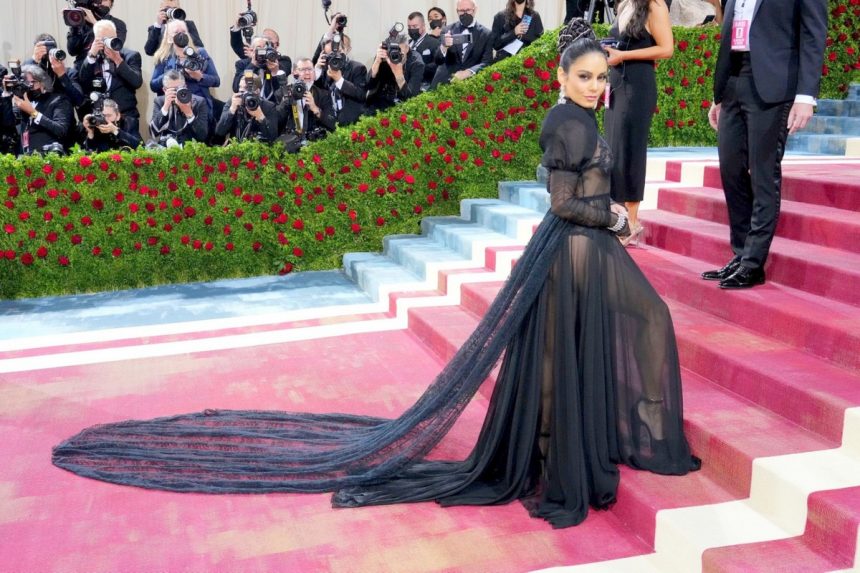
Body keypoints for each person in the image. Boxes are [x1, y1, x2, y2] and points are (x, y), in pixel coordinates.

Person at [52, 20, 700, 530]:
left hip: (580, 252)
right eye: (583, 76)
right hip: (578, 246)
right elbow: (563, 202)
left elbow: (564, 183)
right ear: (560, 76)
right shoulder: (567, 120)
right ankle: (589, 452)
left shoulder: (578, 117)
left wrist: (604, 210)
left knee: (571, 352)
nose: (594, 85)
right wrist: (615, 216)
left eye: (599, 76)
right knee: (626, 329)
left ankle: (571, 451)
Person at [703, 0, 827, 289]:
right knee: (731, 170)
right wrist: (719, 95)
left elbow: (814, 33)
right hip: (734, 80)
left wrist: (806, 96)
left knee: (763, 174)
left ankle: (753, 263)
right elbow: (731, 30)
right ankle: (740, 253)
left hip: (774, 85)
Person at [603, 0, 673, 245]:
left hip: (637, 85)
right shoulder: (625, 4)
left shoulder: (655, 5)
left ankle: (631, 222)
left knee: (630, 150)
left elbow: (666, 49)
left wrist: (624, 55)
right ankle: (618, 217)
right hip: (616, 84)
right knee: (614, 149)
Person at [78, 20, 143, 136]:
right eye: (104, 39)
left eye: (111, 38)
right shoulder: (92, 58)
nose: (108, 42)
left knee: (131, 146)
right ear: (96, 40)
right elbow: (83, 81)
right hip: (100, 117)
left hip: (125, 116)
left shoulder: (130, 56)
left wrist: (118, 61)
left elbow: (137, 82)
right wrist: (91, 55)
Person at [150, 19, 220, 121]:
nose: (181, 35)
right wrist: (170, 75)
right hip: (173, 108)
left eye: (184, 32)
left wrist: (200, 77)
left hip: (199, 106)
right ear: (169, 38)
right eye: (176, 32)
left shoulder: (200, 53)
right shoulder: (163, 57)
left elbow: (216, 81)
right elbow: (153, 85)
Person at [1, 64, 74, 155]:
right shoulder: (25, 101)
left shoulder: (58, 100)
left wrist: (33, 113)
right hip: (25, 157)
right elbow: (9, 123)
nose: (28, 87)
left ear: (42, 82)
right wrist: (6, 93)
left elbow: (61, 130)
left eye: (32, 83)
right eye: (25, 83)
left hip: (48, 157)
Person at [430, 0, 494, 88]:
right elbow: (438, 60)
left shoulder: (486, 34)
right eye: (461, 11)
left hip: (470, 83)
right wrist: (444, 47)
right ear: (457, 11)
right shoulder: (447, 30)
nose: (465, 13)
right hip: (445, 82)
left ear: (475, 10)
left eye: (468, 10)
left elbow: (487, 62)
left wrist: (468, 72)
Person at [277, 57, 335, 143]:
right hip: (289, 143)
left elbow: (332, 123)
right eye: (303, 70)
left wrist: (315, 109)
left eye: (310, 69)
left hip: (314, 143)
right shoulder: (282, 93)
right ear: (294, 73)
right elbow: (275, 122)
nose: (307, 73)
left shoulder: (323, 95)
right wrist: (285, 102)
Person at [314, 36, 367, 127]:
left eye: (337, 52)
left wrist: (340, 80)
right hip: (330, 124)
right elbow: (318, 92)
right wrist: (317, 69)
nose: (335, 57)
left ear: (344, 49)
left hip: (352, 125)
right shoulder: (327, 69)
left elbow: (361, 94)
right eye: (330, 54)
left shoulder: (357, 68)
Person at [366, 33, 424, 113]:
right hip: (379, 102)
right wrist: (377, 62)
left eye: (400, 54)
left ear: (407, 49)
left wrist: (399, 75)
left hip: (402, 106)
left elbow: (411, 99)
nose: (395, 56)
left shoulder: (416, 63)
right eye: (393, 53)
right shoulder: (384, 57)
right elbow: (368, 85)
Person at [149, 69, 209, 145]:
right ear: (164, 90)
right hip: (167, 148)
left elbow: (202, 136)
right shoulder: (160, 101)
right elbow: (153, 133)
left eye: (179, 88)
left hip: (190, 147)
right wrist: (165, 107)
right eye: (173, 90)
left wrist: (189, 113)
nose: (177, 92)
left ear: (185, 86)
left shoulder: (198, 102)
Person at [215, 73, 279, 144]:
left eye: (246, 88)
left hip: (259, 148)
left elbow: (273, 137)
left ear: (257, 91)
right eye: (240, 87)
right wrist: (231, 110)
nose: (241, 91)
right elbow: (219, 132)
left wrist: (260, 116)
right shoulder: (233, 102)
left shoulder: (268, 107)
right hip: (235, 147)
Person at [65, 0, 127, 70]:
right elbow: (72, 51)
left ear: (111, 3)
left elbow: (115, 47)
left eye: (105, 0)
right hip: (82, 70)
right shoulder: (82, 23)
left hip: (106, 70)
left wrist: (94, 22)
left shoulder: (118, 24)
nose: (100, 3)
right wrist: (74, 23)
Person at [232, 36, 290, 105]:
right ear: (252, 50)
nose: (262, 51)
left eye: (265, 48)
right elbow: (236, 88)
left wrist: (274, 72)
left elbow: (279, 93)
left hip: (271, 106)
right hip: (249, 104)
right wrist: (253, 65)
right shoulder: (242, 64)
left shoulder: (274, 64)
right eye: (259, 48)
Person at [407, 12, 440, 87]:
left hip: (425, 85)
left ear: (423, 26)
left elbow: (437, 64)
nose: (411, 29)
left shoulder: (434, 42)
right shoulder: (407, 44)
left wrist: (419, 68)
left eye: (415, 26)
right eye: (409, 27)